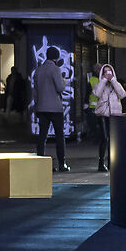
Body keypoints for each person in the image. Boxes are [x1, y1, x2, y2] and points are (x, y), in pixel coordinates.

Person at [30, 43, 74, 171]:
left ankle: (41, 163)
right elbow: (60, 88)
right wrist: (64, 81)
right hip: (55, 108)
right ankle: (62, 163)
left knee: (42, 136)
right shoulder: (56, 69)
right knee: (59, 136)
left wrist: (37, 105)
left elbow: (35, 91)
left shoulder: (38, 70)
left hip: (41, 108)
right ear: (56, 57)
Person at [89, 63, 126, 173]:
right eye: (105, 71)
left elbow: (122, 94)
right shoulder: (99, 84)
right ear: (102, 73)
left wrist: (113, 81)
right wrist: (104, 80)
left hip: (114, 115)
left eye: (109, 71)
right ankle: (101, 164)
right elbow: (97, 94)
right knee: (104, 139)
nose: (108, 74)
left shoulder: (116, 84)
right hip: (103, 114)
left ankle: (112, 163)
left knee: (113, 140)